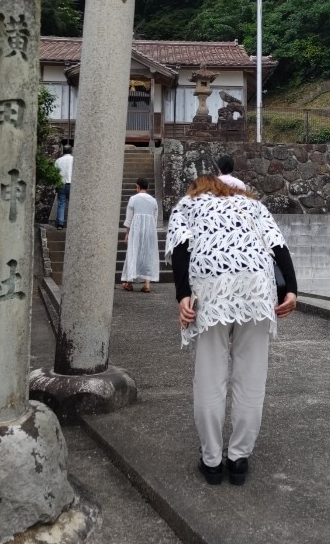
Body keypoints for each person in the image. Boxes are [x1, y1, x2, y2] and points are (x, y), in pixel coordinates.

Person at [166, 174, 297, 486]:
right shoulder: (252, 205)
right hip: (256, 287)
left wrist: (183, 295)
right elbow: (278, 246)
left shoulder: (188, 203)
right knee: (251, 377)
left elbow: (181, 248)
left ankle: (212, 461)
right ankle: (238, 459)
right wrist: (290, 289)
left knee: (209, 376)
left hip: (211, 289)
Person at [121, 176, 160, 293]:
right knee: (148, 253)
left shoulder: (133, 199)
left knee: (134, 252)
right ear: (147, 187)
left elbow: (129, 218)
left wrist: (127, 233)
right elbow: (155, 217)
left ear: (137, 186)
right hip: (150, 229)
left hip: (136, 228)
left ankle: (129, 282)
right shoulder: (153, 201)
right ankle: (147, 284)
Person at [55, 145, 73, 229]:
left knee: (61, 203)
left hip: (61, 184)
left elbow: (55, 173)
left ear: (63, 151)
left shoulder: (58, 160)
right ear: (71, 151)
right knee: (72, 203)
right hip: (71, 183)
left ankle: (60, 224)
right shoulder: (73, 160)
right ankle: (72, 222)